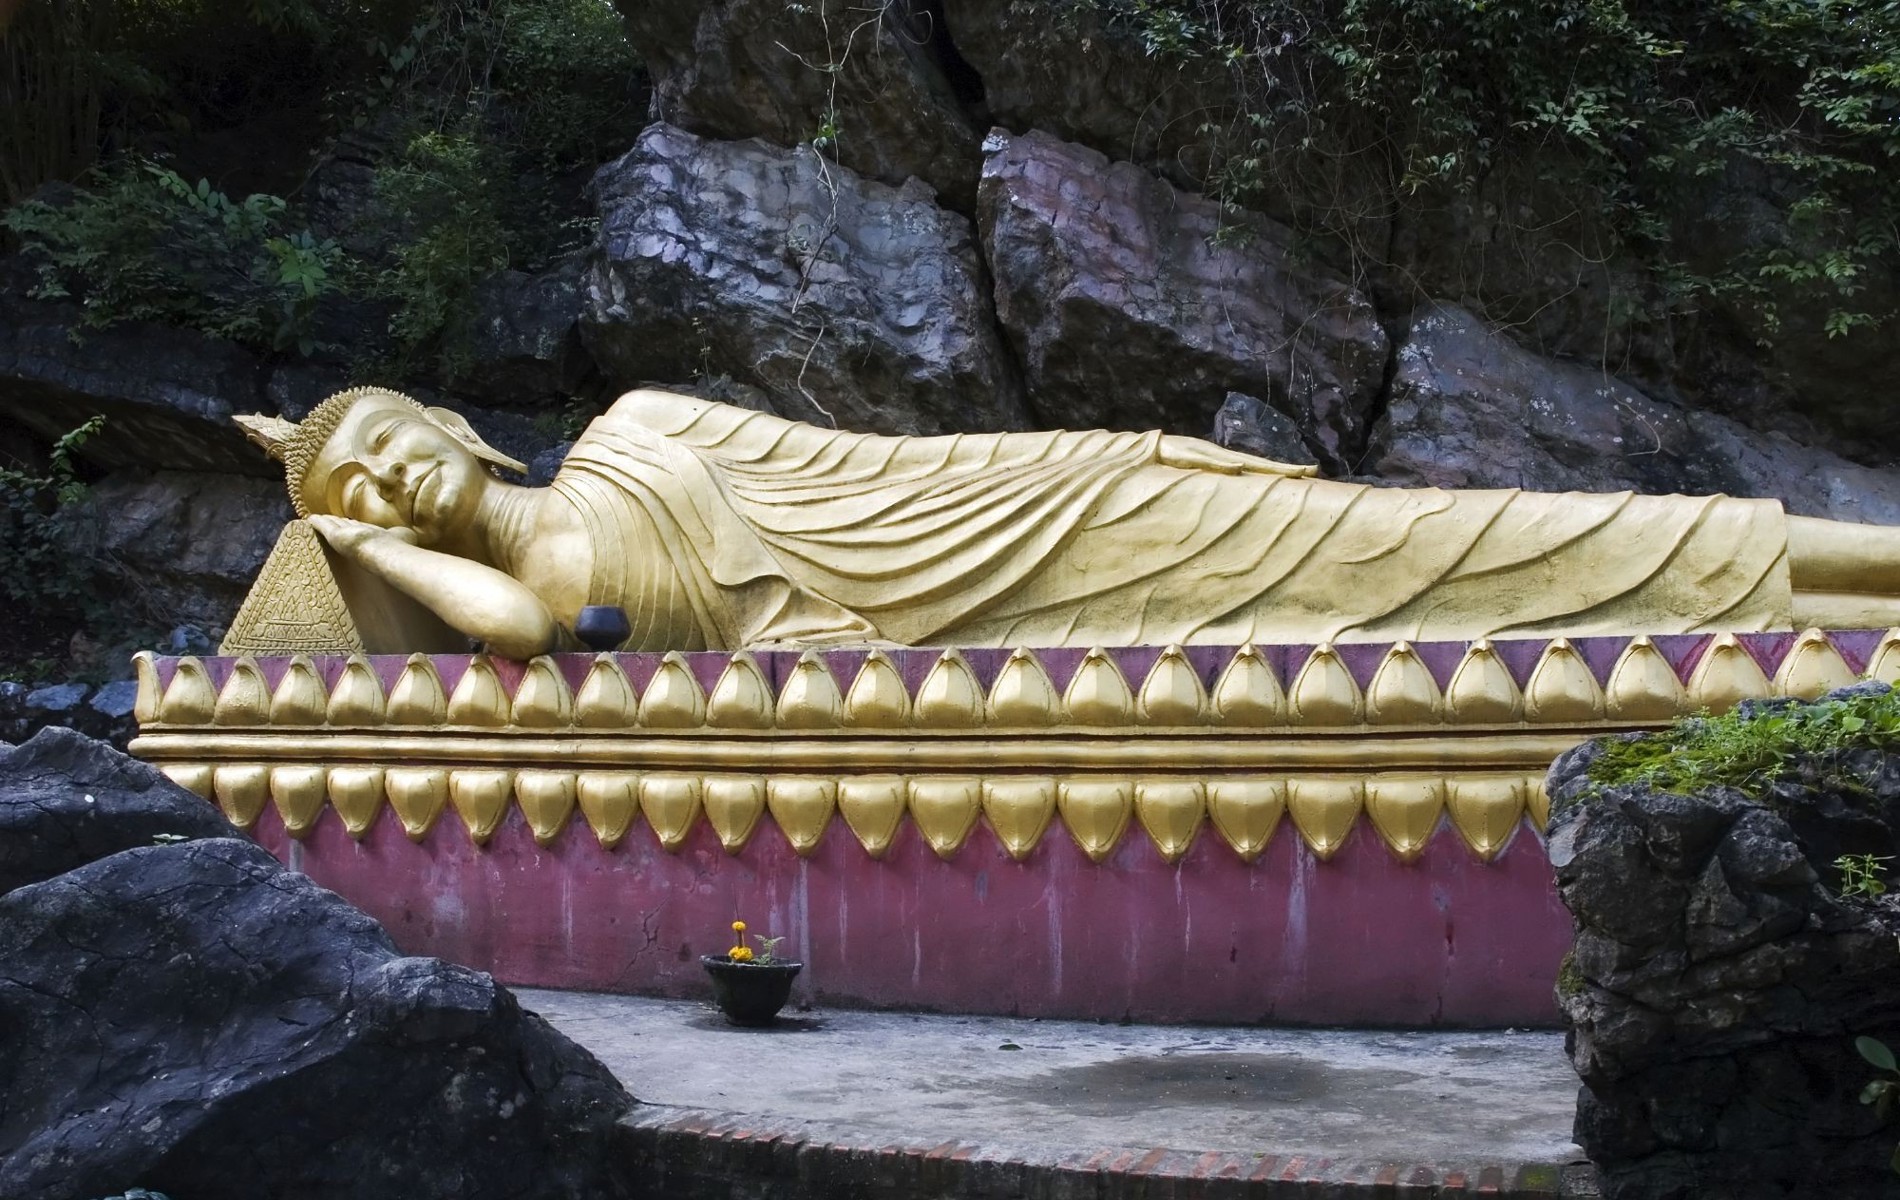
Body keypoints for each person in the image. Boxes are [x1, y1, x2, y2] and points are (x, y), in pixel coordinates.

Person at [235, 386, 1900, 659]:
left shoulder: (641, 429)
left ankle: (1867, 566)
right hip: (965, 645)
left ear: (444, 420)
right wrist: (367, 553)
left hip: (1037, 523)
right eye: (351, 492)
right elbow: (521, 630)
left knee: (1432, 538)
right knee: (1437, 599)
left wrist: (1107, 452)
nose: (381, 480)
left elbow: (892, 463)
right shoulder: (516, 599)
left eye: (381, 443)